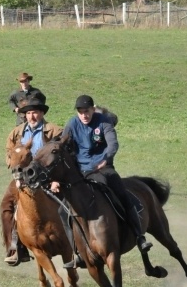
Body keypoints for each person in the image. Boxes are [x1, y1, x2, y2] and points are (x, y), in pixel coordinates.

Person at [51, 95, 152, 269]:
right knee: (62, 210)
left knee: (122, 195)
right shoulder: (72, 124)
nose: (84, 115)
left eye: (87, 111)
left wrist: (106, 158)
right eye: (80, 112)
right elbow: (63, 146)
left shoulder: (104, 121)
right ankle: (78, 253)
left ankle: (139, 237)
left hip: (103, 168)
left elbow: (113, 144)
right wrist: (56, 177)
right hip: (81, 173)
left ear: (93, 109)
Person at [1, 97, 64, 266]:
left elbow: (63, 154)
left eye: (35, 112)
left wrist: (56, 179)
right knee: (6, 206)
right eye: (28, 113)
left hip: (47, 176)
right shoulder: (16, 133)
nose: (31, 116)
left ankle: (77, 242)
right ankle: (15, 248)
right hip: (22, 177)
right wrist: (15, 169)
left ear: (42, 113)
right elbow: (8, 153)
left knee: (72, 201)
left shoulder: (55, 131)